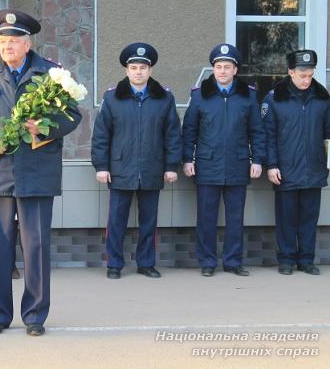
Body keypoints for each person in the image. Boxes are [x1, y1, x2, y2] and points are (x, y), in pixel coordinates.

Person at [0, 9, 82, 336]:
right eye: (3, 40)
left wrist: (45, 128)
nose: (7, 45)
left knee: (36, 247)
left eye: (14, 40)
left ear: (28, 42)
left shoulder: (52, 74)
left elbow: (73, 116)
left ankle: (35, 316)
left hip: (37, 173)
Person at [91, 42, 181, 280]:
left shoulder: (164, 99)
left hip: (152, 168)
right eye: (134, 67)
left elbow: (172, 134)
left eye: (142, 67)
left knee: (149, 222)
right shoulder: (112, 99)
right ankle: (114, 264)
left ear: (150, 71)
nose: (138, 72)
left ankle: (146, 263)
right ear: (126, 71)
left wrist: (172, 166)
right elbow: (101, 136)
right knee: (116, 221)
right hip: (120, 169)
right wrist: (101, 167)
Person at [182, 44, 266, 277]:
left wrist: (257, 160)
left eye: (227, 67)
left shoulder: (247, 96)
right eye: (218, 67)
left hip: (238, 164)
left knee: (235, 218)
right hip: (207, 165)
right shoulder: (200, 96)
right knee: (206, 218)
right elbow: (189, 130)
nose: (222, 71)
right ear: (213, 69)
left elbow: (257, 132)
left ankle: (233, 262)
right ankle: (207, 262)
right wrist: (187, 159)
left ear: (235, 70)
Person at [262, 49, 329, 276]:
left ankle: (307, 260)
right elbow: (268, 136)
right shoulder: (275, 99)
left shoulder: (322, 98)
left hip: (314, 168)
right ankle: (287, 259)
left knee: (309, 218)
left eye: (310, 75)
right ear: (290, 72)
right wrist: (271, 165)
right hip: (286, 169)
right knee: (287, 219)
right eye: (302, 74)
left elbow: (329, 134)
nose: (306, 80)